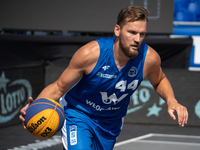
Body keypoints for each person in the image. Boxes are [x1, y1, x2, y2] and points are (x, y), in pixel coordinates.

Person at [19, 6, 188, 150]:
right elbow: (59, 87)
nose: (137, 39)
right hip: (79, 114)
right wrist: (36, 108)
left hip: (111, 123)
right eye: (132, 32)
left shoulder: (149, 58)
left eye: (142, 34)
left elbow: (159, 80)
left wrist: (172, 101)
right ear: (117, 30)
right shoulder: (90, 54)